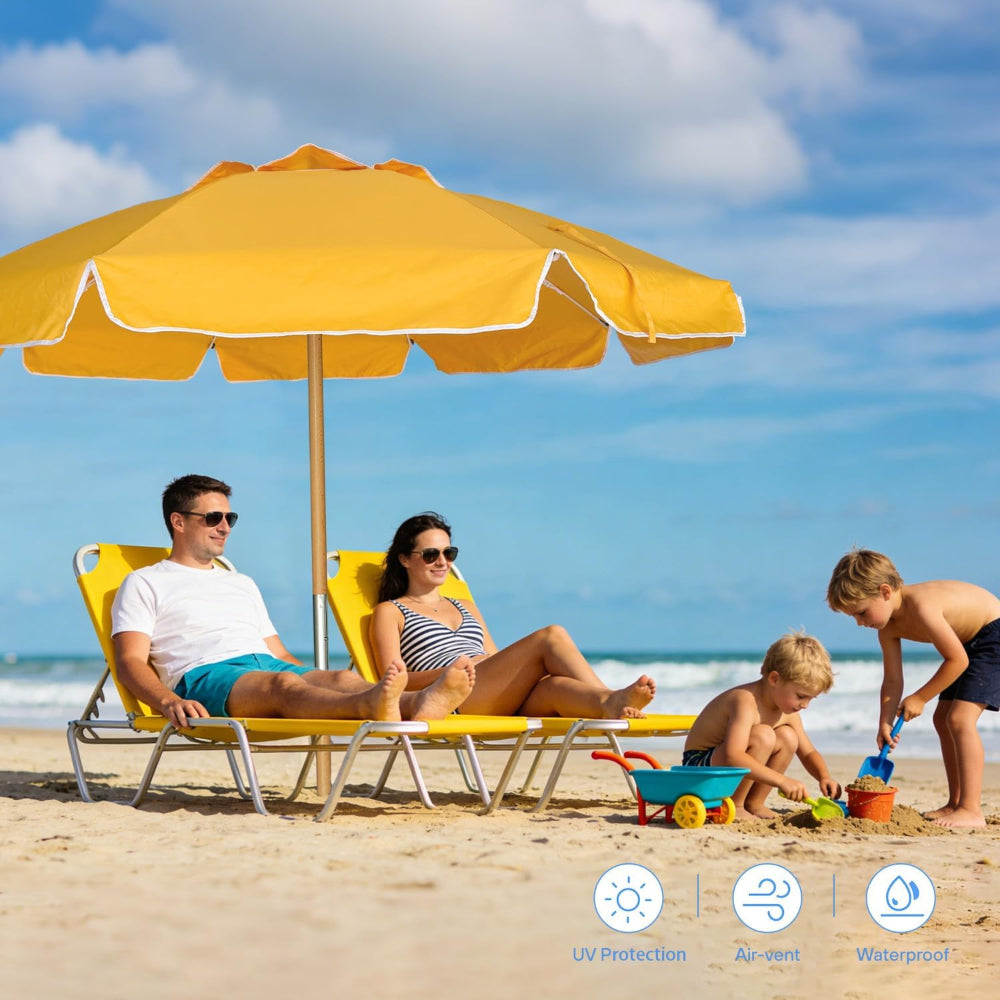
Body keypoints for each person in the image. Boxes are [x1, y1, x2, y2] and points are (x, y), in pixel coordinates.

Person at [111, 475, 473, 730]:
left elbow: (280, 657)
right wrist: (166, 702)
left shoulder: (240, 582)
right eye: (213, 518)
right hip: (204, 676)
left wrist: (318, 683)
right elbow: (129, 661)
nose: (225, 527)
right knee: (283, 688)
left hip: (262, 665)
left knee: (341, 677)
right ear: (178, 521)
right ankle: (368, 706)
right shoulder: (144, 582)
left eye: (230, 517)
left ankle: (418, 703)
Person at [369, 512, 657, 718]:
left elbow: (493, 657)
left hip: (493, 689)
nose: (442, 561)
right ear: (405, 559)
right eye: (431, 554)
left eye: (449, 552)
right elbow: (392, 682)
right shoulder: (391, 611)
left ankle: (607, 704)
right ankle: (611, 698)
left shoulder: (464, 605)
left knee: (557, 686)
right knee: (551, 636)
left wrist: (492, 669)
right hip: (454, 695)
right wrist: (450, 675)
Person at [827, 547, 1000, 828]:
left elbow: (957, 660)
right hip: (968, 643)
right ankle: (955, 803)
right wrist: (884, 721)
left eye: (861, 612)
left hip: (993, 634)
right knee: (941, 720)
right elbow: (893, 680)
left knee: (959, 719)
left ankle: (971, 809)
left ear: (885, 592)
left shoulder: (922, 606)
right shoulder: (887, 629)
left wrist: (920, 697)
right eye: (853, 618)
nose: (859, 623)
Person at [682, 631, 841, 820]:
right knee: (763, 735)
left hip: (722, 768)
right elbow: (734, 755)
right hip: (698, 768)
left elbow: (808, 752)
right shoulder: (745, 701)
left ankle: (754, 803)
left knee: (789, 737)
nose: (805, 705)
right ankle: (736, 804)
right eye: (801, 696)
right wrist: (782, 781)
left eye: (810, 699)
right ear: (774, 679)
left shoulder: (787, 713)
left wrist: (824, 776)